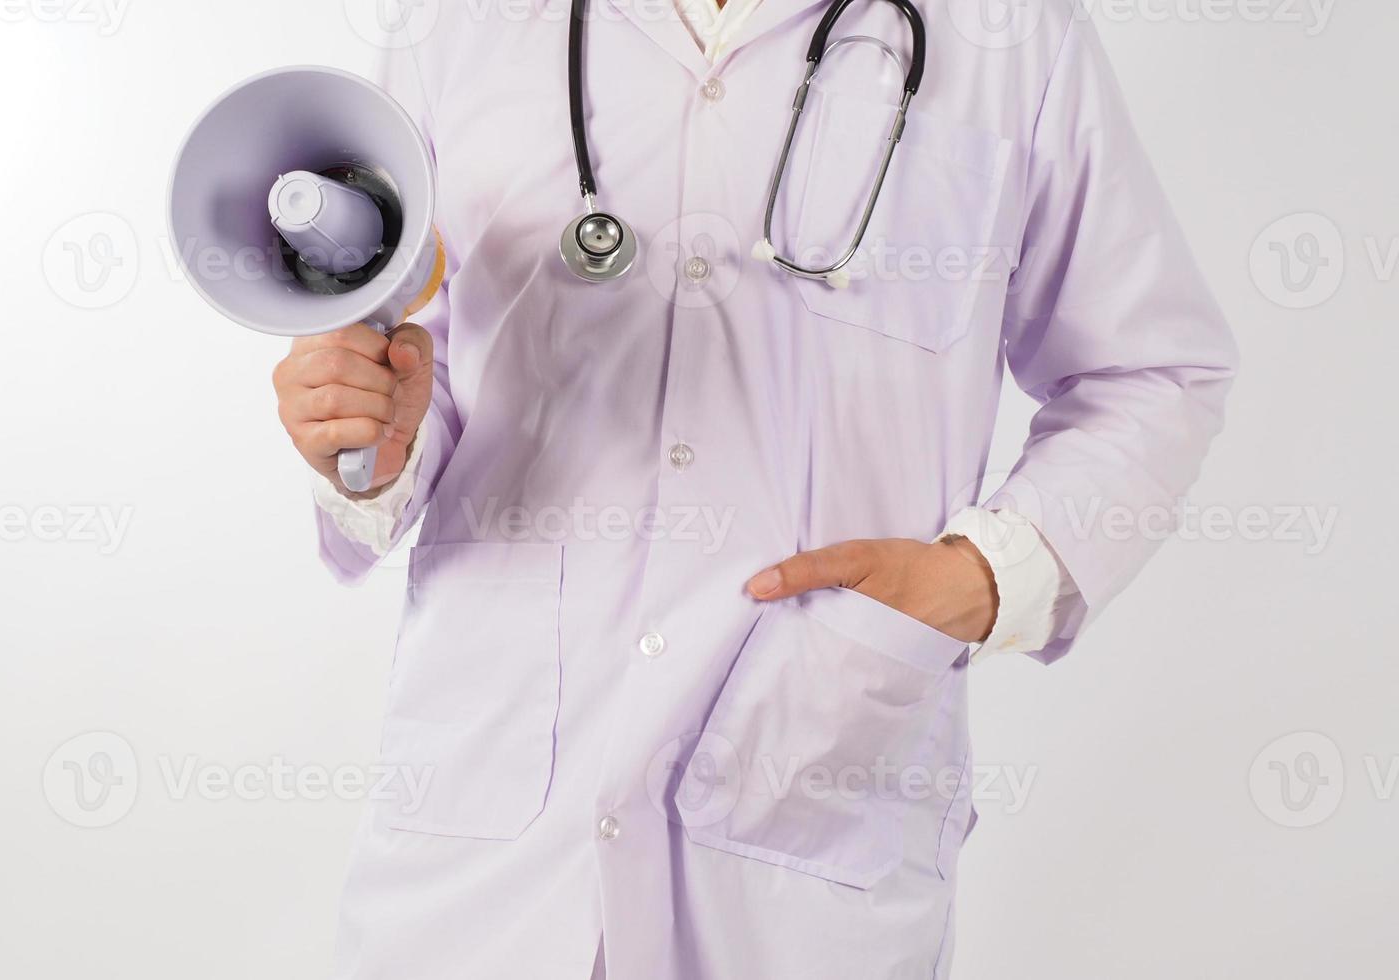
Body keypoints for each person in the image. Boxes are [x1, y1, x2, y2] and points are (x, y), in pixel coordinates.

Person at [266, 1, 1235, 976]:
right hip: (486, 864)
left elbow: (1153, 372)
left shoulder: (1009, 39)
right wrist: (369, 431)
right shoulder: (460, 25)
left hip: (804, 827)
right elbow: (402, 343)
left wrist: (985, 576)